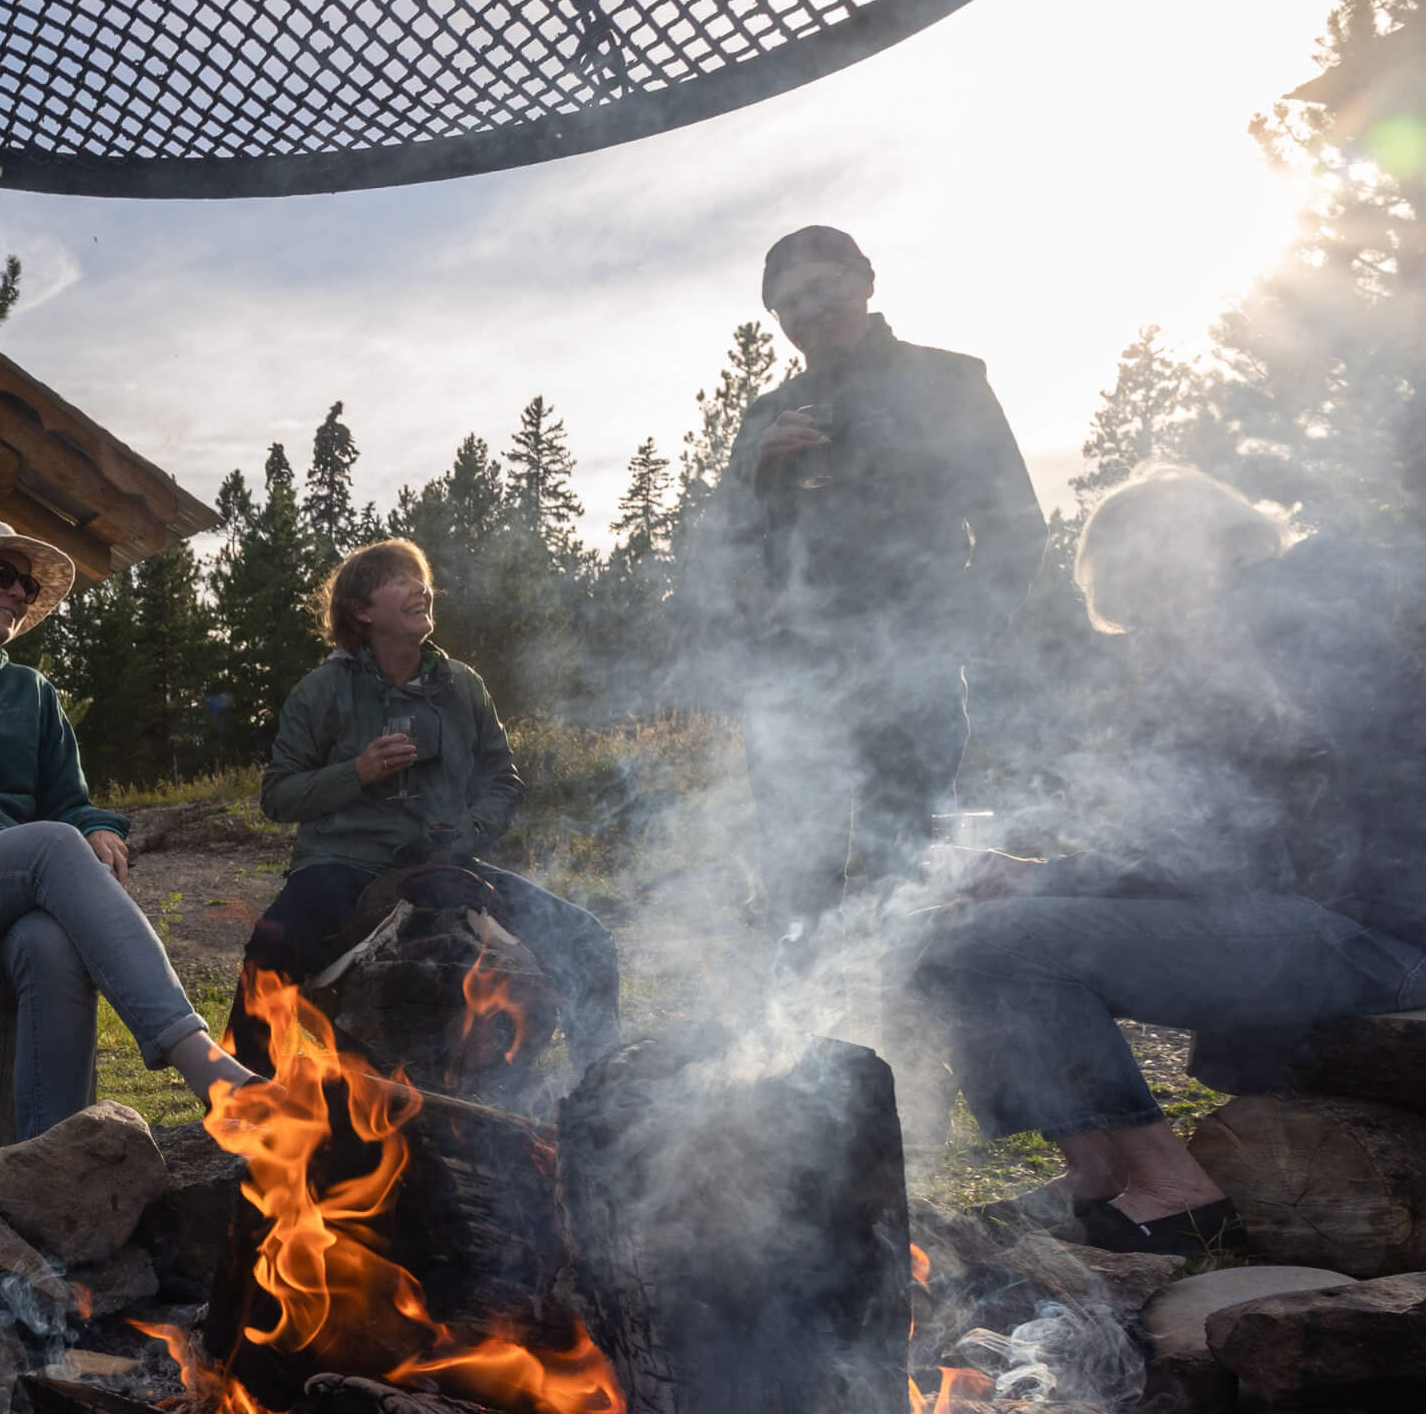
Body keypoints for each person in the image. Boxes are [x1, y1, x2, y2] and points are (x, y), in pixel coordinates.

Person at [907, 466, 1426, 1251]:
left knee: (995, 940)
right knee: (973, 934)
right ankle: (1095, 1168)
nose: (1152, 629)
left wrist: (1043, 878)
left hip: (1378, 934)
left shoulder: (1290, 629)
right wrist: (1040, 873)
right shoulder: (1257, 633)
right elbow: (1201, 841)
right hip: (1321, 913)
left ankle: (1174, 1189)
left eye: (1150, 596)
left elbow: (1225, 853)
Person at [0, 514, 257, 1138]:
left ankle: (54, 1162)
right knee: (48, 846)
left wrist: (98, 828)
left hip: (10, 911)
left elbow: (69, 801)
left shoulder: (34, 694)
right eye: (2, 574)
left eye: (27, 587)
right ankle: (207, 1067)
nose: (16, 592)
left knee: (52, 945)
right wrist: (27, 849)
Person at [694, 225, 1047, 943]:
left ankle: (915, 1040)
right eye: (786, 303)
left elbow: (1016, 527)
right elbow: (724, 547)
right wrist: (757, 474)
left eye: (821, 288)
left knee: (910, 873)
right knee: (799, 878)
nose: (806, 311)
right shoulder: (766, 414)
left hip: (909, 679)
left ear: (864, 283)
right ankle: (805, 1043)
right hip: (794, 684)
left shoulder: (947, 381)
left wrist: (949, 642)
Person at [229, 537, 620, 1084]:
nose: (420, 587)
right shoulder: (320, 692)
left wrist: (470, 831)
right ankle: (246, 1102)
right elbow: (278, 795)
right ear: (362, 612)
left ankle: (604, 1091)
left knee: (586, 940)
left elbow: (502, 779)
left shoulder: (463, 685)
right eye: (399, 579)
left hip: (449, 860)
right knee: (272, 948)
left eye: (421, 577)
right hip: (345, 864)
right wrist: (357, 772)